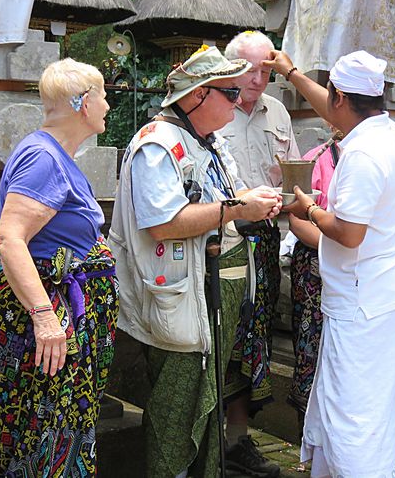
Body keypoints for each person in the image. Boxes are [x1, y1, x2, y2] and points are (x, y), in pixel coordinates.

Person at [109, 46, 282, 478]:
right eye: (230, 92)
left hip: (205, 301)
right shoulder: (159, 145)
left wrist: (258, 206)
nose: (240, 101)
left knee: (201, 409)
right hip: (178, 302)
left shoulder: (209, 143)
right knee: (175, 412)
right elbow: (163, 224)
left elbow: (228, 204)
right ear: (196, 96)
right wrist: (239, 209)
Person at [265, 49, 395, 478]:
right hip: (382, 294)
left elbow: (349, 233)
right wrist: (291, 72)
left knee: (354, 413)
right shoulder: (383, 133)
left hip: (363, 304)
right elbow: (333, 107)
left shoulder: (363, 155)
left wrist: (308, 208)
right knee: (369, 406)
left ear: (341, 98)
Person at [0, 58, 117, 476]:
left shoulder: (54, 153)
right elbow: (10, 238)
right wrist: (45, 318)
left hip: (57, 316)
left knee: (58, 430)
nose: (109, 104)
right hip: (41, 322)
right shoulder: (43, 158)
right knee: (42, 433)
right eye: (104, 94)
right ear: (83, 102)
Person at [219, 30, 300, 476]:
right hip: (221, 239)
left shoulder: (279, 112)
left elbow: (291, 177)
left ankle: (239, 438)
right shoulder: (213, 107)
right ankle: (208, 437)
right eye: (251, 68)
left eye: (267, 70)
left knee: (256, 335)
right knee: (222, 333)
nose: (258, 78)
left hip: (265, 237)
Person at [286, 131, 341, 416]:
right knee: (311, 346)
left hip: (358, 265)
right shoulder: (315, 160)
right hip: (315, 262)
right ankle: (306, 424)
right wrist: (336, 246)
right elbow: (295, 218)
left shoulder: (373, 158)